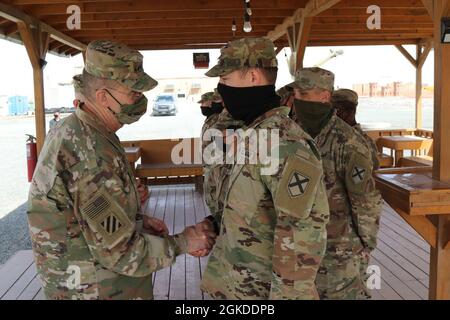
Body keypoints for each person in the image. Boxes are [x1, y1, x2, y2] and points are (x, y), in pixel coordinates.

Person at [27, 40, 216, 300]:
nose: (140, 100)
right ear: (103, 97)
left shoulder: (80, 129)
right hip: (95, 289)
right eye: (133, 93)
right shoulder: (89, 153)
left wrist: (134, 218)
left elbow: (88, 215)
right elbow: (120, 252)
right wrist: (186, 241)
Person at [200, 37, 330, 300]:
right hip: (238, 285)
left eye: (226, 79)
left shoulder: (285, 144)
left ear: (252, 77)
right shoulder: (254, 134)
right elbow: (252, 204)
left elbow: (302, 233)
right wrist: (216, 222)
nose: (220, 88)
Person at [288, 67, 382, 300]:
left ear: (324, 97)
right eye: (297, 94)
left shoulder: (348, 142)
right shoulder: (291, 134)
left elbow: (365, 201)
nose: (299, 100)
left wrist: (364, 245)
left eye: (305, 94)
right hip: (294, 251)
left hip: (338, 254)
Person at [332, 89, 380, 170]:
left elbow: (373, 167)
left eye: (336, 110)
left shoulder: (362, 141)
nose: (333, 114)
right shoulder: (366, 140)